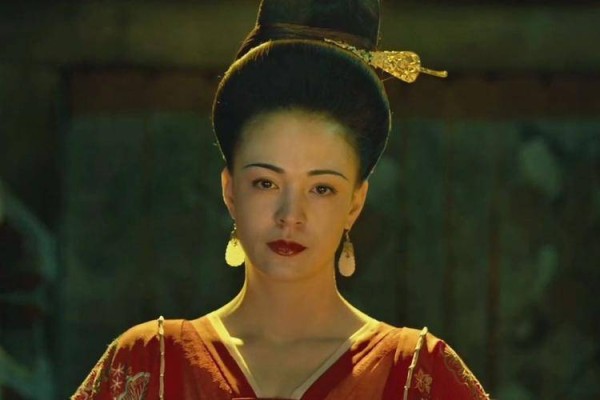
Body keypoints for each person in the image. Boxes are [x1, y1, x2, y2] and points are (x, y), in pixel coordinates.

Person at [72, 0, 490, 399]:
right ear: (230, 190)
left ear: (355, 203)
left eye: (322, 188)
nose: (291, 215)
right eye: (266, 183)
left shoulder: (417, 375)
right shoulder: (149, 364)